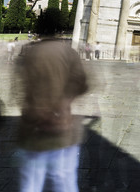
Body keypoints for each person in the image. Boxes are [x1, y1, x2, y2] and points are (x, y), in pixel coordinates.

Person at [16, 13, 88, 192]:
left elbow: (18, 88)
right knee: (63, 180)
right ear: (60, 29)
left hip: (33, 125)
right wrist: (64, 100)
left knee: (31, 181)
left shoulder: (27, 52)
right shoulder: (68, 53)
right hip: (61, 124)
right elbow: (83, 84)